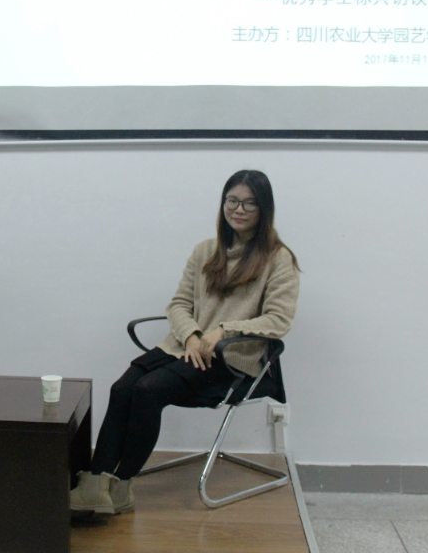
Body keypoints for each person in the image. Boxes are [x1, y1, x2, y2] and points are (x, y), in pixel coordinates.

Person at [69, 169, 300, 515]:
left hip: (230, 359)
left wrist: (223, 330)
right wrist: (191, 335)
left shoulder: (279, 259)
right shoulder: (206, 250)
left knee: (148, 391)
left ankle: (121, 486)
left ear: (264, 209)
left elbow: (278, 320)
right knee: (122, 389)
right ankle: (95, 484)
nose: (238, 209)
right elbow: (179, 304)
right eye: (232, 200)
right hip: (183, 348)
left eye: (249, 203)